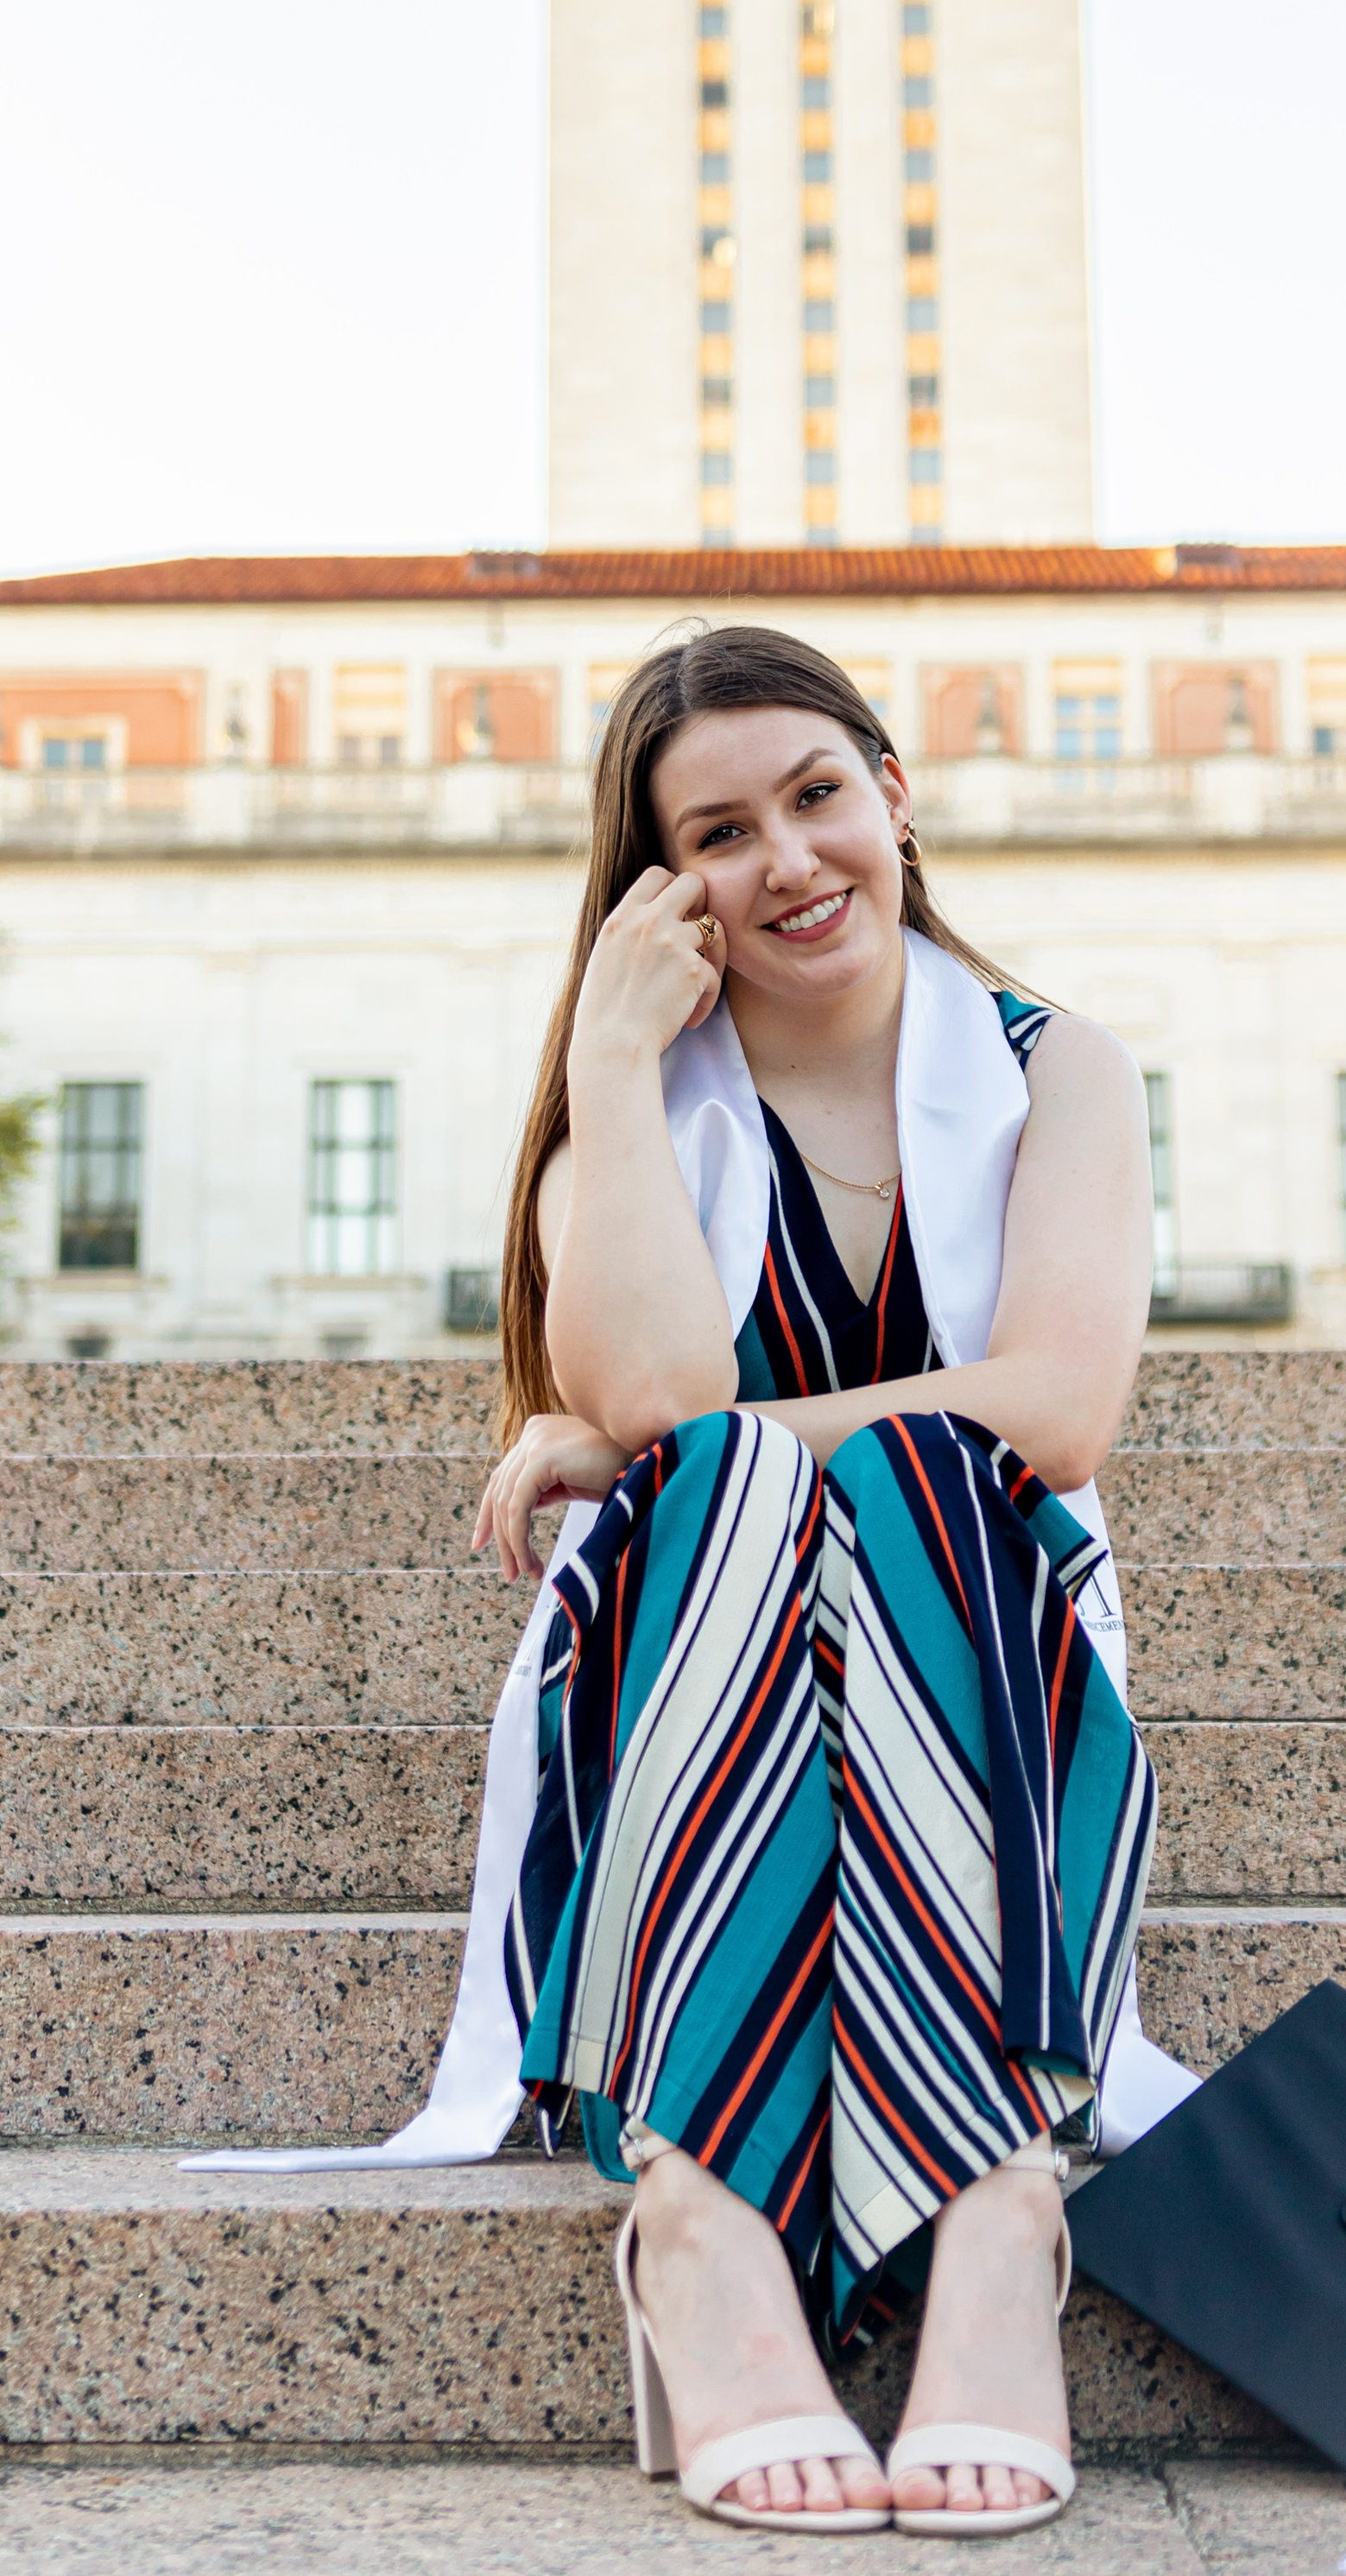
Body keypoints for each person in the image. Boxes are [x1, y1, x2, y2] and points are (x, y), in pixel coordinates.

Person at [471, 625, 1162, 2538]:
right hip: (700, 1702)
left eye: (813, 795)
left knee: (927, 1476)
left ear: (892, 799)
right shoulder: (630, 1120)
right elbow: (662, 1400)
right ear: (652, 888)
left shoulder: (1057, 1073)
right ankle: (693, 2222)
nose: (783, 858)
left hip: (984, 1685)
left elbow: (1055, 1411)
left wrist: (678, 1438)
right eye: (713, 830)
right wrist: (613, 1062)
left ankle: (994, 2206)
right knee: (731, 1493)